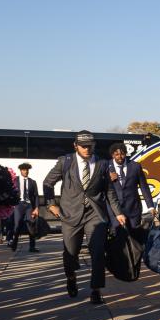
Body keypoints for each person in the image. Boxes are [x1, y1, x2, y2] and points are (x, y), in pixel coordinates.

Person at [44, 130, 125, 304]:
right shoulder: (65, 162)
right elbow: (47, 183)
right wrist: (51, 204)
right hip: (70, 214)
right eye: (83, 146)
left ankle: (96, 290)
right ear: (75, 146)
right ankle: (71, 277)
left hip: (95, 214)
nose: (87, 149)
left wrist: (118, 213)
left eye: (90, 146)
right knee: (70, 253)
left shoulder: (103, 164)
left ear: (94, 146)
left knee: (97, 253)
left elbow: (109, 191)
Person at [108, 143, 156, 233]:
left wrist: (150, 206)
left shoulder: (135, 166)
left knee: (135, 237)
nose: (120, 157)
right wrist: (108, 178)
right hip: (114, 211)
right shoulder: (106, 166)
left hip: (133, 209)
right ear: (112, 155)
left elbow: (144, 187)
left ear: (126, 153)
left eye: (122, 154)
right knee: (117, 239)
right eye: (116, 154)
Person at [7, 162, 40, 253]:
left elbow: (36, 196)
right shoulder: (15, 180)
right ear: (20, 170)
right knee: (17, 225)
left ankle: (32, 247)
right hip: (18, 205)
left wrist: (36, 208)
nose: (26, 172)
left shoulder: (32, 182)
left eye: (27, 170)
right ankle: (14, 243)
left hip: (29, 206)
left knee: (31, 225)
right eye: (24, 170)